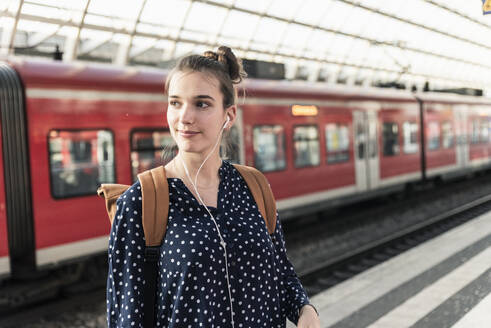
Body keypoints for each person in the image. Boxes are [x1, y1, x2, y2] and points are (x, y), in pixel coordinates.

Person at [107, 46, 320, 328]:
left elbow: (280, 270)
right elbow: (127, 315)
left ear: (228, 116)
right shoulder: (142, 201)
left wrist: (305, 308)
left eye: (202, 104)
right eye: (175, 103)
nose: (184, 117)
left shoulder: (252, 187)